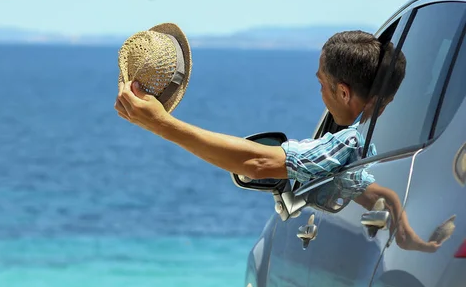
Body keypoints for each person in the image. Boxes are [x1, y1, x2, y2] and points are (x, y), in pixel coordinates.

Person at [115, 30, 404, 183]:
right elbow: (373, 190)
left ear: (343, 92)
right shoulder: (399, 131)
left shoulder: (351, 142)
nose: (320, 94)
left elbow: (257, 163)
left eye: (321, 84)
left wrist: (160, 124)